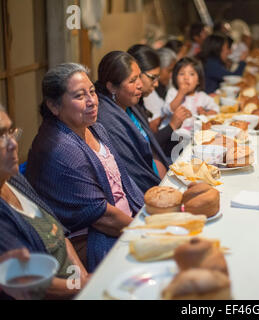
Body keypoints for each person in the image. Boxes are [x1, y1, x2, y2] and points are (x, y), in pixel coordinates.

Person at [25, 63, 143, 272]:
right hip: (94, 240)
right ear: (54, 106)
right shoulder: (60, 149)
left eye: (92, 92)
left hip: (125, 223)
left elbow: (122, 181)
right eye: (80, 96)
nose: (92, 102)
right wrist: (146, 231)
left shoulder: (94, 128)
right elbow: (103, 218)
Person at [0, 108, 90, 300]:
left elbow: (60, 233)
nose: (13, 144)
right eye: (0, 137)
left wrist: (81, 276)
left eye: (9, 132)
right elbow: (35, 285)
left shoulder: (12, 178)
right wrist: (82, 284)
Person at [94, 51, 170, 193]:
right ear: (112, 87)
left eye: (139, 77)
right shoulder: (108, 121)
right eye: (132, 80)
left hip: (161, 182)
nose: (140, 84)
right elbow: (132, 172)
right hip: (148, 194)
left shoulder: (129, 105)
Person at [127, 45, 192, 157]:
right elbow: (145, 146)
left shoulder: (140, 101)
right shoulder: (128, 105)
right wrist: (172, 125)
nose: (156, 84)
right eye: (153, 77)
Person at [162, 57, 219, 136]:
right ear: (175, 77)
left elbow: (216, 109)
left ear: (198, 80)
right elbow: (168, 110)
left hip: (192, 134)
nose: (186, 78)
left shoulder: (201, 96)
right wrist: (180, 94)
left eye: (191, 74)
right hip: (173, 135)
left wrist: (205, 114)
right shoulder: (173, 92)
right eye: (182, 74)